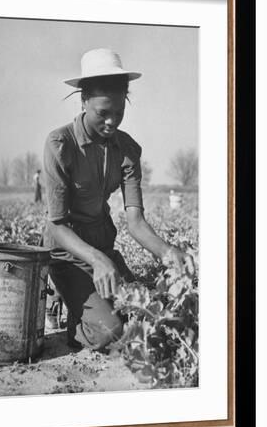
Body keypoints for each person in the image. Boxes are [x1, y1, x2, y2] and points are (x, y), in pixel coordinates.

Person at [43, 48, 194, 350]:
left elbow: (135, 222)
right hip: (66, 253)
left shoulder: (127, 150)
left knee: (145, 310)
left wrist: (168, 254)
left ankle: (85, 299)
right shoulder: (61, 145)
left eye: (119, 113)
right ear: (84, 101)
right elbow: (57, 224)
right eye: (103, 113)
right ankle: (65, 305)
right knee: (110, 331)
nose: (112, 122)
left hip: (104, 250)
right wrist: (96, 260)